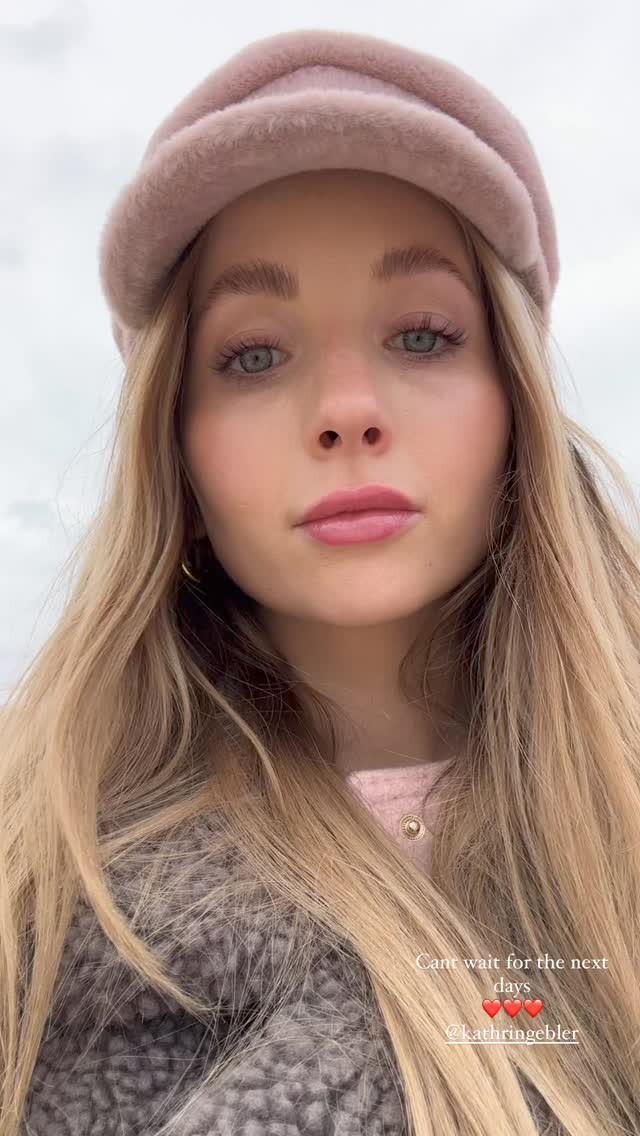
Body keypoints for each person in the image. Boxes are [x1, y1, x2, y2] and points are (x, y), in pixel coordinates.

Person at [2, 26, 639, 1136]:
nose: (347, 409)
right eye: (253, 353)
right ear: (176, 447)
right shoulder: (38, 886)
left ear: (516, 403)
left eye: (423, 334)